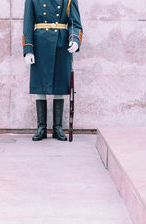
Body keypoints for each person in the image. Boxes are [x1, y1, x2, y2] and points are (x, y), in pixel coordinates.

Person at [22, 0, 83, 141]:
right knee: (40, 85)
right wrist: (28, 49)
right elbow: (28, 23)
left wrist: (75, 39)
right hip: (40, 43)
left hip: (61, 43)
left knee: (60, 85)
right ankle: (41, 128)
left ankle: (58, 128)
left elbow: (75, 22)